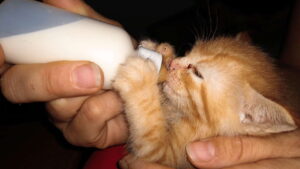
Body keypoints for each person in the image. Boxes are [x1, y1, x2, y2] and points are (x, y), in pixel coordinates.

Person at [0, 0, 300, 169]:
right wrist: (156, 76)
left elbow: (157, 156)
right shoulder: (214, 112)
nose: (178, 64)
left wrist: (143, 95)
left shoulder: (226, 127)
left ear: (248, 117)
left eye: (195, 72)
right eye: (189, 55)